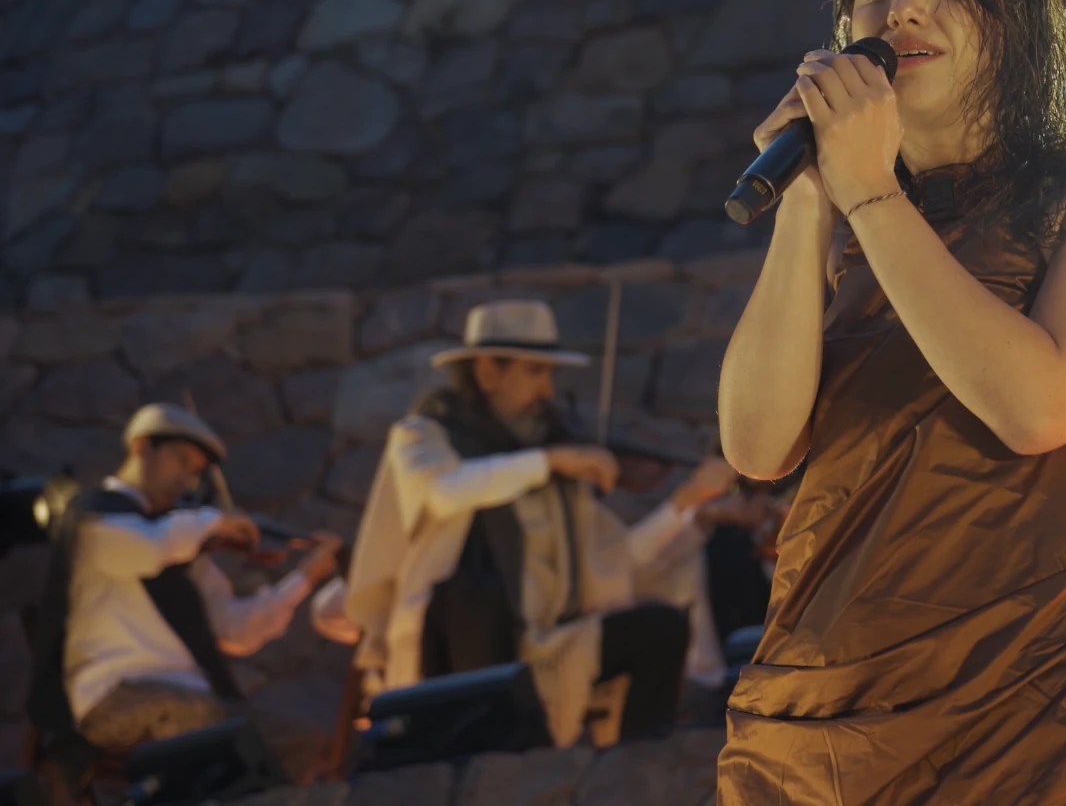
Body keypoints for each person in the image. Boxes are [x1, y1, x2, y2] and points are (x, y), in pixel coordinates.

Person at [714, 0, 1066, 803]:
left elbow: (1035, 406)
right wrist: (810, 203)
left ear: (1014, 17)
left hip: (1041, 711)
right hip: (826, 715)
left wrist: (866, 190)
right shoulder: (851, 222)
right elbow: (757, 443)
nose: (904, 11)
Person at [340, 298, 751, 745]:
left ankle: (626, 773)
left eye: (550, 375)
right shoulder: (421, 436)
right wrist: (550, 460)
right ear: (487, 372)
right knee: (477, 598)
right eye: (535, 373)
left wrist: (687, 501)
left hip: (545, 643)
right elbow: (446, 491)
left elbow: (620, 563)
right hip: (455, 639)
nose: (548, 392)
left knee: (660, 630)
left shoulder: (550, 465)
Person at [26, 404, 341, 784]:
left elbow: (236, 629)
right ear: (142, 447)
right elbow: (145, 551)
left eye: (195, 473)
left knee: (300, 744)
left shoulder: (181, 541)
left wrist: (307, 575)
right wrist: (213, 522)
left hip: (195, 703)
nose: (187, 482)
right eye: (181, 461)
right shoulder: (95, 518)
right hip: (114, 698)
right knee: (201, 719)